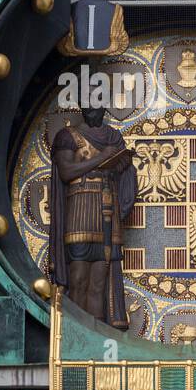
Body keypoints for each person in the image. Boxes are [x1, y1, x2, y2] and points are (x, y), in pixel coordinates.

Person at [48, 107, 137, 327]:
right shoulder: (67, 136)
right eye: (88, 102)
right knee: (78, 276)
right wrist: (102, 159)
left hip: (107, 206)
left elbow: (122, 169)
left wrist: (122, 164)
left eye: (97, 103)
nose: (92, 109)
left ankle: (97, 334)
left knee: (100, 279)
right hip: (80, 208)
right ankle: (77, 329)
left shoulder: (113, 137)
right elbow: (67, 171)